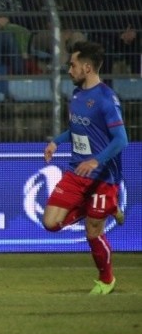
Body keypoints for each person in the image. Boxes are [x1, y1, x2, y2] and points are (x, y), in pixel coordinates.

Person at [42, 40, 128, 296]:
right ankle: (106, 208)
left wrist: (96, 160)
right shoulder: (78, 95)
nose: (69, 70)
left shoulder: (106, 99)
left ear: (87, 68)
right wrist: (56, 142)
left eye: (73, 65)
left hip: (103, 177)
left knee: (93, 232)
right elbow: (78, 129)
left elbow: (122, 139)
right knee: (50, 223)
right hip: (76, 173)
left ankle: (106, 279)